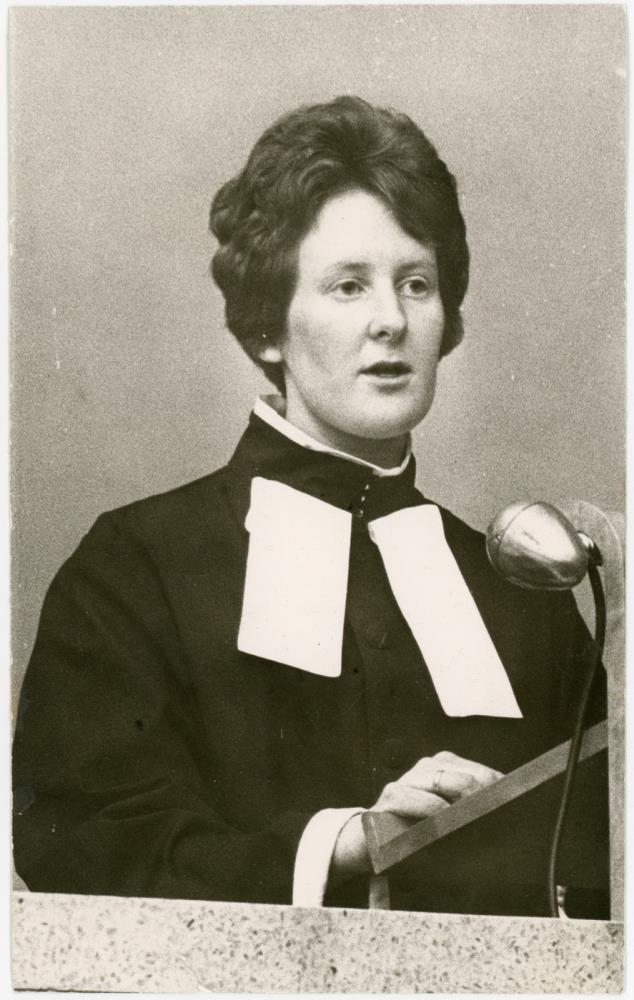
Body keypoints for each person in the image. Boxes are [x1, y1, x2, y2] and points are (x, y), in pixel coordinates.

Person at [12, 96, 606, 916]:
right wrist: (345, 842)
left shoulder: (521, 594)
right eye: (348, 286)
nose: (391, 321)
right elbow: (80, 841)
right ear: (268, 325)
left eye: (417, 284)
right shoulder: (137, 566)